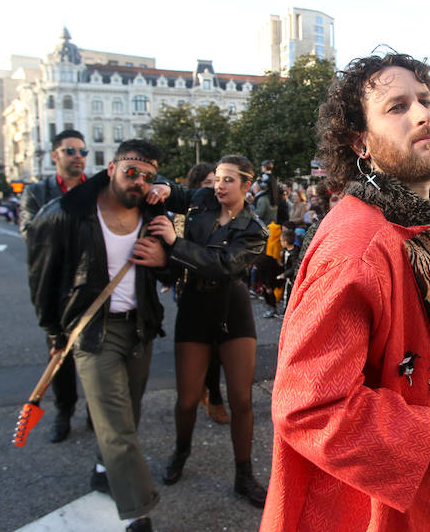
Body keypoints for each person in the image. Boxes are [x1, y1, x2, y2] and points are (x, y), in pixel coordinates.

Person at [262, 53, 430, 531]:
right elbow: (310, 405)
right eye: (396, 107)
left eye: (426, 100)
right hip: (373, 514)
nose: (421, 113)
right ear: (360, 143)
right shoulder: (358, 246)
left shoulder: (421, 224)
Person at [27, 139, 173, 532]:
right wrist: (52, 332)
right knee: (117, 426)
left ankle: (101, 467)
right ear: (110, 169)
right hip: (93, 332)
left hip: (139, 329)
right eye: (131, 172)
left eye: (148, 176)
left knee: (129, 414)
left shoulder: (154, 212)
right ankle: (137, 512)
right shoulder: (64, 213)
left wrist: (164, 259)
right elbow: (43, 278)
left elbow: (169, 271)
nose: (139, 182)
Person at [147, 155, 269, 507]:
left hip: (233, 312)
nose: (219, 185)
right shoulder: (201, 201)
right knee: (186, 399)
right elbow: (176, 193)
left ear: (247, 186)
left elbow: (223, 266)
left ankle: (243, 475)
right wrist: (162, 186)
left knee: (242, 400)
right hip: (194, 310)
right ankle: (180, 453)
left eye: (229, 180)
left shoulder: (254, 229)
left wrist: (174, 243)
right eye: (217, 178)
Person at [20, 128, 87, 443]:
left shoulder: (99, 189)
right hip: (56, 286)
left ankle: (97, 411)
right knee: (60, 353)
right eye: (71, 151)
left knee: (100, 350)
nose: (78, 157)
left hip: (93, 284)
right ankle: (65, 409)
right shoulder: (38, 192)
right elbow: (32, 234)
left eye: (82, 152)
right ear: (55, 155)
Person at [173, 163, 229, 425]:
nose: (214, 188)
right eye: (208, 183)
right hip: (190, 289)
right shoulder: (186, 214)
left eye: (216, 182)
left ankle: (216, 397)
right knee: (199, 349)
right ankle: (204, 392)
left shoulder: (226, 212)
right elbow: (175, 250)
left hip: (219, 290)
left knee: (217, 348)